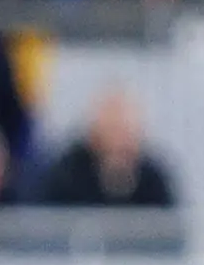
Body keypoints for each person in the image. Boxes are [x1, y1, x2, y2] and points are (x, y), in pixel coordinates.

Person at [39, 86, 178, 208]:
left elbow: (169, 228)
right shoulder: (67, 175)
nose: (118, 142)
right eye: (112, 129)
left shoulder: (154, 180)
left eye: (125, 132)